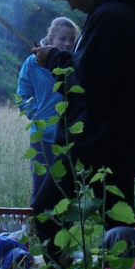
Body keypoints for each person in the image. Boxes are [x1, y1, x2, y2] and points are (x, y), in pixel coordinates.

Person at [46, 0, 135, 213]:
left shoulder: (109, 18)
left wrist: (55, 59)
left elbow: (88, 87)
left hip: (100, 145)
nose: (71, 5)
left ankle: (74, 258)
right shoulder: (125, 13)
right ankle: (116, 256)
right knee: (116, 224)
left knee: (49, 211)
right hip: (119, 144)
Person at [18, 15, 80, 253]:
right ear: (51, 37)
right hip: (42, 137)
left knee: (66, 194)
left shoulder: (74, 62)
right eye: (62, 38)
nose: (66, 43)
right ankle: (45, 247)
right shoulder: (33, 62)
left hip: (69, 138)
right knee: (41, 189)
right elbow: (21, 95)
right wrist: (36, 114)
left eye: (70, 39)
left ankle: (67, 247)